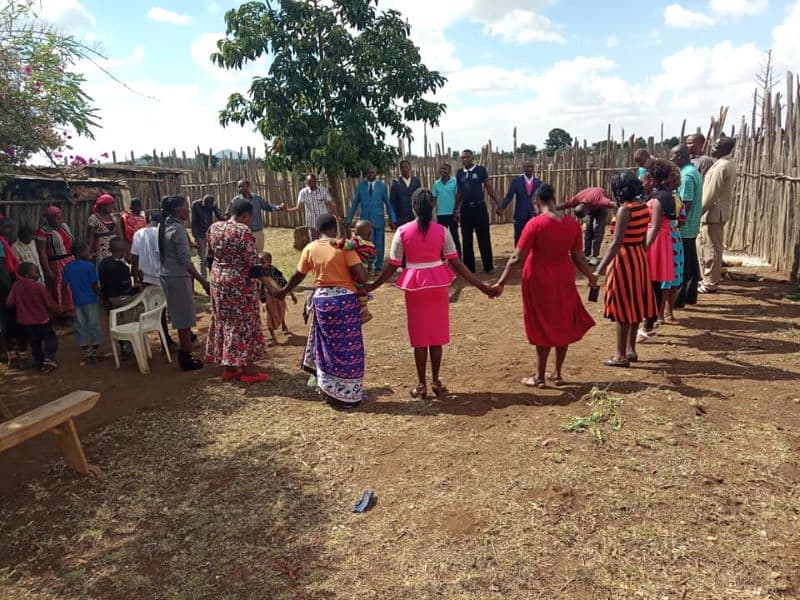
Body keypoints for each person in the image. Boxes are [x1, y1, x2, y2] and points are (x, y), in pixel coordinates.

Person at [369, 189, 496, 399]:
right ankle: (436, 381)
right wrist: (482, 286)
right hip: (438, 284)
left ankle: (421, 385)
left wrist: (373, 285)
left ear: (413, 207)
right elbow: (457, 263)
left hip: (415, 286)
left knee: (419, 338)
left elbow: (392, 265)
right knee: (436, 337)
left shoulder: (402, 231)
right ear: (432, 208)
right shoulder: (442, 231)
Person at [493, 184, 597, 387]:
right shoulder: (572, 224)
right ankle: (557, 373)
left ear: (536, 203)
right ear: (553, 199)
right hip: (564, 277)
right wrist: (591, 277)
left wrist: (501, 282)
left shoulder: (535, 224)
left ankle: (539, 376)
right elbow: (578, 257)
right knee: (563, 321)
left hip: (538, 278)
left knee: (541, 323)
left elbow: (517, 258)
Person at [276, 214, 369, 410]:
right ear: (335, 229)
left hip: (323, 303)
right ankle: (350, 395)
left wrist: (283, 292)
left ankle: (330, 392)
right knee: (349, 347)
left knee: (327, 346)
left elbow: (298, 276)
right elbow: (362, 276)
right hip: (345, 302)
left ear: (317, 231)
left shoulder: (310, 248)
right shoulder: (342, 247)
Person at [593, 172, 657, 367]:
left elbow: (616, 243)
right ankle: (631, 350)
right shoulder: (644, 207)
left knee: (622, 307)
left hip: (623, 260)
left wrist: (599, 269)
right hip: (638, 257)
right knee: (636, 304)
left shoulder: (625, 210)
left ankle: (620, 355)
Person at [204, 198, 272, 383]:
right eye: (250, 217)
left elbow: (208, 258)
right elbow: (253, 265)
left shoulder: (214, 228)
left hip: (218, 281)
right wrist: (270, 285)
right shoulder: (244, 231)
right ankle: (248, 371)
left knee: (224, 320)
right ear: (245, 215)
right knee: (244, 323)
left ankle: (230, 368)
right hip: (239, 284)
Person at [159, 195, 209, 370]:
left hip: (168, 276)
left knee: (181, 317)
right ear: (178, 210)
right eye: (185, 208)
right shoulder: (177, 229)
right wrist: (203, 281)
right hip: (178, 278)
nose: (188, 211)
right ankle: (186, 356)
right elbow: (185, 262)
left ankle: (185, 353)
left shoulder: (165, 224)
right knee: (184, 318)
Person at [638, 158, 679, 341]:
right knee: (654, 284)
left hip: (654, 241)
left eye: (644, 179)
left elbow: (654, 226)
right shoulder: (668, 195)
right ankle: (649, 323)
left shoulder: (657, 199)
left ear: (652, 180)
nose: (642, 183)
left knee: (650, 284)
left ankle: (647, 325)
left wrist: (643, 248)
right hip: (663, 240)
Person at [698, 136, 737, 294]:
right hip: (715, 211)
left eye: (715, 146)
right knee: (705, 245)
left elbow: (710, 193)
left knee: (712, 248)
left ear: (723, 149)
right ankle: (707, 278)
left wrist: (698, 212)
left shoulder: (721, 166)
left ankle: (710, 283)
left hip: (713, 212)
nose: (712, 148)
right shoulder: (726, 164)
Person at [6, 262, 61, 372]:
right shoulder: (39, 287)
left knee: (35, 344)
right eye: (36, 271)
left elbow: (10, 302)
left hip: (26, 323)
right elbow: (49, 303)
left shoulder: (16, 286)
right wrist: (58, 309)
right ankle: (49, 358)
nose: (38, 273)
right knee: (50, 339)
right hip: (42, 321)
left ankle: (39, 362)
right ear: (28, 274)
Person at [131, 212, 175, 350]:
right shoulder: (160, 233)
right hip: (162, 276)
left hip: (146, 278)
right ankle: (166, 341)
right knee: (165, 310)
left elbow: (134, 258)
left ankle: (166, 339)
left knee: (156, 309)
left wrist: (136, 279)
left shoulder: (138, 234)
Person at [455, 149, 500, 273]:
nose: (465, 160)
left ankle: (488, 267)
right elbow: (459, 192)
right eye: (463, 158)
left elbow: (489, 187)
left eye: (467, 157)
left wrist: (497, 203)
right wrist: (456, 209)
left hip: (480, 208)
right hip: (465, 209)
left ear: (472, 158)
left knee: (484, 237)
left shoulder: (480, 170)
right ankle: (469, 268)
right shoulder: (459, 173)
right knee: (466, 239)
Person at [346, 166, 396, 271]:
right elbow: (355, 203)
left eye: (372, 172)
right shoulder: (361, 187)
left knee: (379, 244)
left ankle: (378, 267)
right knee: (367, 245)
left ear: (376, 174)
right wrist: (348, 219)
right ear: (366, 174)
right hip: (365, 222)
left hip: (378, 220)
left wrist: (393, 219)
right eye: (368, 173)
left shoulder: (381, 187)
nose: (370, 174)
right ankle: (369, 266)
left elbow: (388, 203)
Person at [671, 144, 703, 308]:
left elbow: (685, 204)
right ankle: (690, 296)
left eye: (673, 156)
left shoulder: (686, 176)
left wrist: (676, 223)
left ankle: (680, 298)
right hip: (691, 225)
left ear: (680, 156)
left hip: (685, 226)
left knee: (683, 264)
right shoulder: (691, 171)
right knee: (690, 262)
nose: (671, 159)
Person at [62, 241, 103, 363]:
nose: (90, 253)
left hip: (77, 300)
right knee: (93, 323)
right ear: (81, 253)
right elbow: (94, 285)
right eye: (88, 251)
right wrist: (101, 296)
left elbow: (64, 285)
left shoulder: (68, 267)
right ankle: (95, 349)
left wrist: (65, 299)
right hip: (90, 299)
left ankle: (86, 350)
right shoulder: (89, 266)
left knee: (80, 325)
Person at [558, 187, 617, 266]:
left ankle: (594, 256)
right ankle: (587, 254)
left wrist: (621, 205)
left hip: (600, 207)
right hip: (590, 204)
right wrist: (553, 208)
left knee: (597, 229)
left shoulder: (599, 200)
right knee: (588, 229)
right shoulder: (577, 199)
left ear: (586, 210)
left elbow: (610, 203)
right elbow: (565, 204)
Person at [331, 220, 376, 323]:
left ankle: (365, 313)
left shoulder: (357, 241)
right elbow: (372, 260)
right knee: (362, 289)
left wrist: (335, 242)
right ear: (369, 233)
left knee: (358, 289)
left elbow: (346, 245)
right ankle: (364, 310)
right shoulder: (372, 246)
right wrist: (369, 271)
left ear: (355, 233)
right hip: (363, 271)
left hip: (354, 270)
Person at [36, 207, 74, 316]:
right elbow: (42, 252)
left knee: (71, 287)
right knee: (60, 288)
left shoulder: (64, 226)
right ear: (48, 219)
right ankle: (62, 313)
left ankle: (72, 311)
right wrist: (47, 269)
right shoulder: (43, 232)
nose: (59, 220)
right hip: (56, 264)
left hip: (70, 260)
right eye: (56, 218)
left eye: (60, 217)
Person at [232, 179, 285, 253]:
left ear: (248, 186)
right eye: (239, 187)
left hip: (257, 232)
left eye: (242, 186)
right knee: (245, 253)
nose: (240, 188)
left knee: (259, 254)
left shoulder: (256, 198)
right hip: (243, 232)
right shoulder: (236, 201)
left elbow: (267, 207)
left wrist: (278, 207)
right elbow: (232, 215)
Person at [499, 160, 542, 245]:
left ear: (534, 169)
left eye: (531, 167)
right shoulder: (516, 181)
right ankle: (518, 256)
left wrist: (541, 212)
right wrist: (501, 207)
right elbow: (509, 196)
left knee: (534, 236)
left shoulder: (539, 183)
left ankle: (532, 256)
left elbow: (542, 199)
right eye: (527, 167)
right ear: (523, 168)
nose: (529, 169)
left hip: (534, 214)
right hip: (520, 214)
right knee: (518, 237)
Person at [286, 174, 339, 241]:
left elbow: (331, 204)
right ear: (306, 183)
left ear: (316, 181)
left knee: (328, 241)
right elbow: (299, 207)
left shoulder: (323, 190)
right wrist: (287, 210)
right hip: (312, 222)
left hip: (324, 222)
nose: (311, 184)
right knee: (314, 241)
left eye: (313, 181)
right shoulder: (303, 193)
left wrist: (337, 216)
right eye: (309, 182)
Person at [259, 251, 296, 344]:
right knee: (269, 316)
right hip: (268, 298)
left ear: (269, 262)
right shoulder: (258, 273)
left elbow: (284, 283)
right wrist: (262, 300)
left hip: (279, 296)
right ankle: (273, 336)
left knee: (280, 311)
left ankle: (283, 323)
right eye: (258, 262)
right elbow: (260, 288)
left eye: (262, 262)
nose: (260, 265)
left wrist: (292, 295)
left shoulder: (273, 271)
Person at [99, 238, 140, 313]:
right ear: (122, 250)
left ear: (110, 249)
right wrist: (137, 286)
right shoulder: (122, 267)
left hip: (107, 296)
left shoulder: (103, 263)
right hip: (120, 298)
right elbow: (126, 288)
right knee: (142, 295)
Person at [431, 163, 461, 258]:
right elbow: (434, 199)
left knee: (454, 236)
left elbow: (458, 197)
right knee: (441, 236)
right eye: (441, 169)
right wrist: (429, 212)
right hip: (441, 214)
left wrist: (457, 211)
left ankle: (458, 256)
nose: (443, 171)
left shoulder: (454, 182)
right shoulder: (436, 184)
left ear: (449, 170)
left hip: (452, 213)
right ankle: (442, 256)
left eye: (445, 169)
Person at [191, 194, 223, 280]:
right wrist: (195, 237)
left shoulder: (212, 205)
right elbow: (193, 222)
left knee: (210, 257)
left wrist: (216, 208)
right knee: (202, 258)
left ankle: (213, 278)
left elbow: (220, 217)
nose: (208, 208)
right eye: (206, 205)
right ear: (203, 202)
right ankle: (204, 279)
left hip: (210, 234)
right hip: (200, 234)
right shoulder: (196, 205)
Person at [88, 193, 124, 262]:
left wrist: (121, 247)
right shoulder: (93, 219)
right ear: (102, 206)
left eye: (113, 206)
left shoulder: (113, 217)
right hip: (102, 249)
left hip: (115, 248)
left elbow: (118, 233)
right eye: (110, 206)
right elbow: (91, 238)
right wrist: (90, 251)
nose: (112, 208)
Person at [390, 159, 422, 226]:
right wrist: (392, 219)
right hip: (401, 219)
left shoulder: (416, 182)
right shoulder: (395, 183)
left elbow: (420, 199)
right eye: (402, 167)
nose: (404, 169)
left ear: (410, 168)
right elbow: (392, 203)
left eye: (406, 167)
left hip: (414, 217)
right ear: (400, 169)